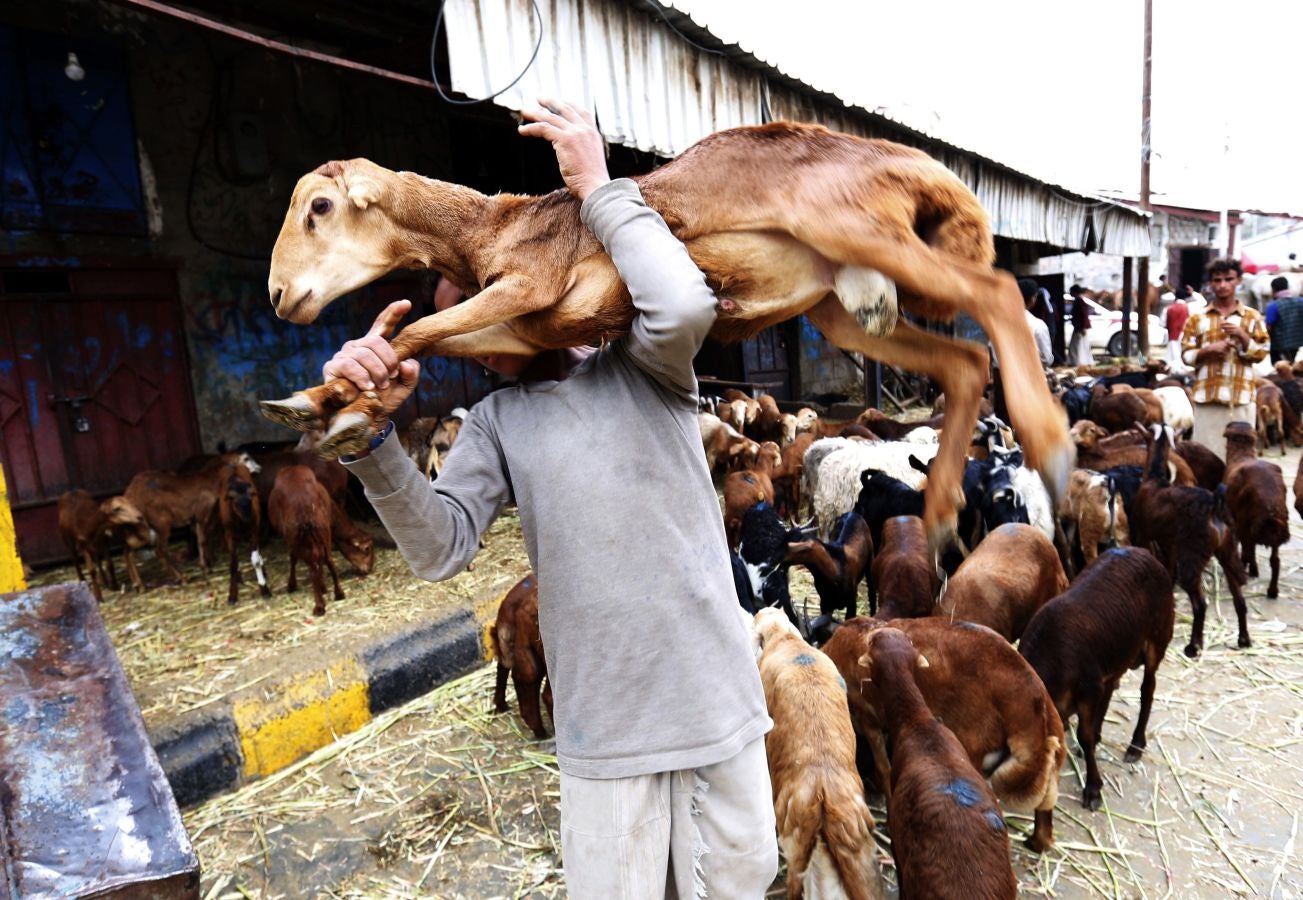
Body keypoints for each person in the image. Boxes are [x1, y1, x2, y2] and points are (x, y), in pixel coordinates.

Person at [324, 99, 777, 898]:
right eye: (455, 325)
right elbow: (439, 548)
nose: (479, 330)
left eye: (486, 300)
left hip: (714, 700)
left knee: (737, 883)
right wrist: (367, 434)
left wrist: (600, 188)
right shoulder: (498, 425)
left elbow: (683, 304)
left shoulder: (645, 367)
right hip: (605, 727)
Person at [1180, 257, 1269, 449]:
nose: (1223, 285)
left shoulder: (1252, 317)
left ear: (1238, 281)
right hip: (1207, 400)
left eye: (1228, 279)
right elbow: (1186, 355)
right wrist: (1207, 351)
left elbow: (1262, 353)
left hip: (1241, 400)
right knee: (1206, 460)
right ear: (1210, 284)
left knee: (1240, 461)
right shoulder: (1197, 318)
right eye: (1217, 280)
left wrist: (1242, 336)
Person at [1265, 275, 1303, 364]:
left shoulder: (1273, 306)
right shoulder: (1301, 301)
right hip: (1297, 342)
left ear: (1273, 290)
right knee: (1290, 362)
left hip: (1279, 345)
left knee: (1280, 367)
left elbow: (1268, 327)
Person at [1018, 277, 1054, 368]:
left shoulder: (996, 324)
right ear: (1033, 299)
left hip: (1001, 378)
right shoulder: (1037, 325)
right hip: (1029, 377)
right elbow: (1046, 359)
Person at [1162, 287, 1191, 372]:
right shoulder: (1189, 307)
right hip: (1185, 336)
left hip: (1172, 335)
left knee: (1172, 358)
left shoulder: (1168, 309)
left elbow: (1162, 323)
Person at [1067, 284, 1093, 366]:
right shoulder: (1078, 301)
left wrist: (1083, 327)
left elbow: (1083, 315)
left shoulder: (1079, 301)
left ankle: (1078, 362)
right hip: (1079, 327)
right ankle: (1078, 362)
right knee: (1079, 345)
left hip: (1080, 328)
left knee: (1078, 346)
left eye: (1071, 292)